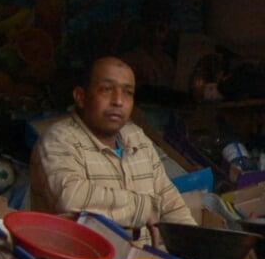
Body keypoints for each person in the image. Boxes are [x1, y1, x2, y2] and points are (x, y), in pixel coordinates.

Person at [29, 56, 195, 229]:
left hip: (144, 256)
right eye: (106, 89)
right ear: (80, 97)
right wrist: (143, 207)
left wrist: (196, 244)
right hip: (90, 255)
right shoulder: (59, 140)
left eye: (128, 92)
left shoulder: (137, 138)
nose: (118, 101)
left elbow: (171, 203)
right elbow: (70, 199)